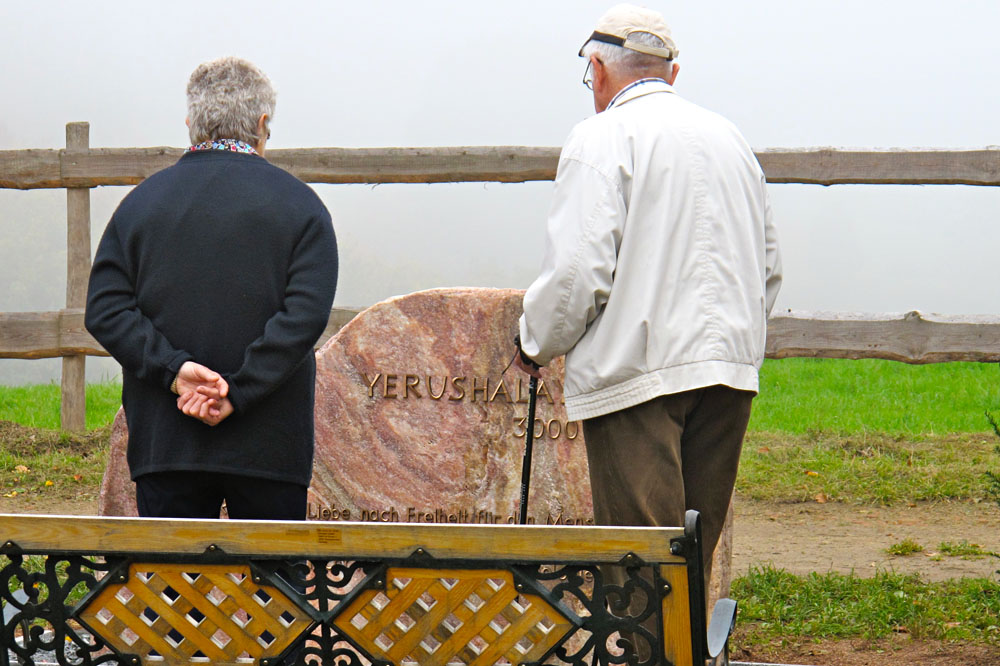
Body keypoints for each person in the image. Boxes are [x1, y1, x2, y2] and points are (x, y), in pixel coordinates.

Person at [515, 3, 782, 596]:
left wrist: (534, 343)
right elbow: (767, 266)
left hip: (638, 376)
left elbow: (578, 272)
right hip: (727, 375)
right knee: (692, 564)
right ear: (672, 74)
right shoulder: (731, 139)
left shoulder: (600, 137)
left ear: (598, 70)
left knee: (644, 575)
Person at [85, 56, 338, 521]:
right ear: (263, 124)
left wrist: (175, 372)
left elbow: (104, 310)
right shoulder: (302, 208)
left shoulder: (140, 206)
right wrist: (236, 391)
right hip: (270, 447)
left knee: (168, 589)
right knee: (275, 589)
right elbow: (304, 317)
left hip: (167, 440)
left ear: (190, 125)